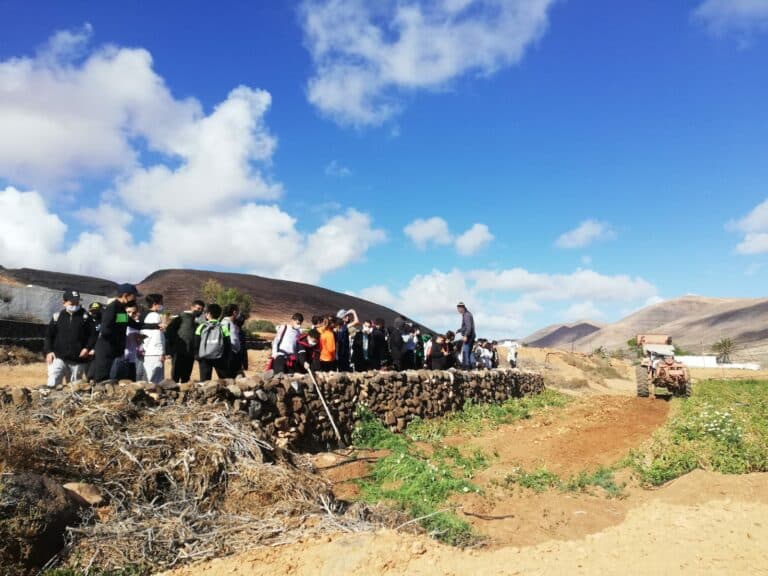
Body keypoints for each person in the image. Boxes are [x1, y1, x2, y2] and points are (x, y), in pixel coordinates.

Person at [91, 283, 152, 382]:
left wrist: (155, 326)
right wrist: (118, 339)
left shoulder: (120, 309)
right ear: (125, 295)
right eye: (134, 296)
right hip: (106, 350)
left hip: (115, 350)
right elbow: (105, 329)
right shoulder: (112, 308)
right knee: (102, 380)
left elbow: (133, 324)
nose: (135, 299)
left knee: (112, 380)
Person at [43, 289, 97, 389]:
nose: (75, 305)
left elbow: (93, 336)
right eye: (72, 302)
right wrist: (49, 351)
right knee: (52, 382)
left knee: (74, 388)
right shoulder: (57, 317)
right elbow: (49, 336)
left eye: (77, 302)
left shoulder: (86, 317)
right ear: (64, 302)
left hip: (78, 360)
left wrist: (87, 348)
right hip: (59, 358)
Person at [165, 299, 205, 383]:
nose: (199, 311)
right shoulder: (181, 317)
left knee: (186, 376)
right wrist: (174, 345)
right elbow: (169, 331)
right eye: (198, 308)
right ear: (192, 307)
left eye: (201, 309)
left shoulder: (198, 321)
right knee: (175, 375)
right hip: (179, 351)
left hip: (190, 352)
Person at [194, 303, 230, 381]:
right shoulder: (223, 328)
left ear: (209, 314)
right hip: (220, 357)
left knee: (204, 381)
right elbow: (228, 344)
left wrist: (197, 356)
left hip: (204, 358)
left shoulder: (201, 327)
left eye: (206, 313)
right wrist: (226, 357)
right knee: (224, 380)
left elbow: (196, 342)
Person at [141, 294, 166, 384]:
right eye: (161, 303)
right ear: (155, 304)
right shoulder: (155, 316)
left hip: (147, 351)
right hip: (155, 353)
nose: (162, 304)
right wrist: (161, 352)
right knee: (156, 381)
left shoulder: (144, 315)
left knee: (147, 379)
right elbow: (157, 336)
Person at [221, 304, 242, 378]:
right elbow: (224, 338)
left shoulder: (233, 323)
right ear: (234, 312)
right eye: (238, 311)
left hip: (236, 353)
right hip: (229, 354)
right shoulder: (225, 323)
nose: (239, 313)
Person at [455, 302, 476, 369]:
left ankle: (466, 367)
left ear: (461, 308)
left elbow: (468, 327)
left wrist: (466, 335)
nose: (458, 311)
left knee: (465, 352)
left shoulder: (466, 315)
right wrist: (459, 330)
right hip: (471, 335)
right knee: (469, 352)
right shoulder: (466, 314)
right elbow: (465, 327)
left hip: (469, 336)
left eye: (458, 309)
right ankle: (472, 366)